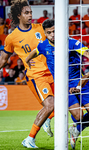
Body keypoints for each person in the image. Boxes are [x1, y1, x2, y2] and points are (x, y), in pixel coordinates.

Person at [25, 19, 89, 149]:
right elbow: (33, 52)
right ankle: (63, 125)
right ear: (45, 33)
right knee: (78, 115)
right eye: (49, 33)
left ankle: (76, 130)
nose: (52, 35)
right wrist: (27, 60)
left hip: (81, 82)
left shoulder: (70, 42)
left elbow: (86, 51)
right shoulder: (43, 46)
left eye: (54, 31)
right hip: (62, 86)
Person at [0, 0, 54, 148]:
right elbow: (4, 59)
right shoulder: (12, 37)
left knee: (66, 102)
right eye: (27, 13)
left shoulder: (40, 29)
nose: (30, 15)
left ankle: (47, 118)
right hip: (35, 76)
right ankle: (29, 139)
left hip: (52, 73)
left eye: (30, 12)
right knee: (51, 104)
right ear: (19, 16)